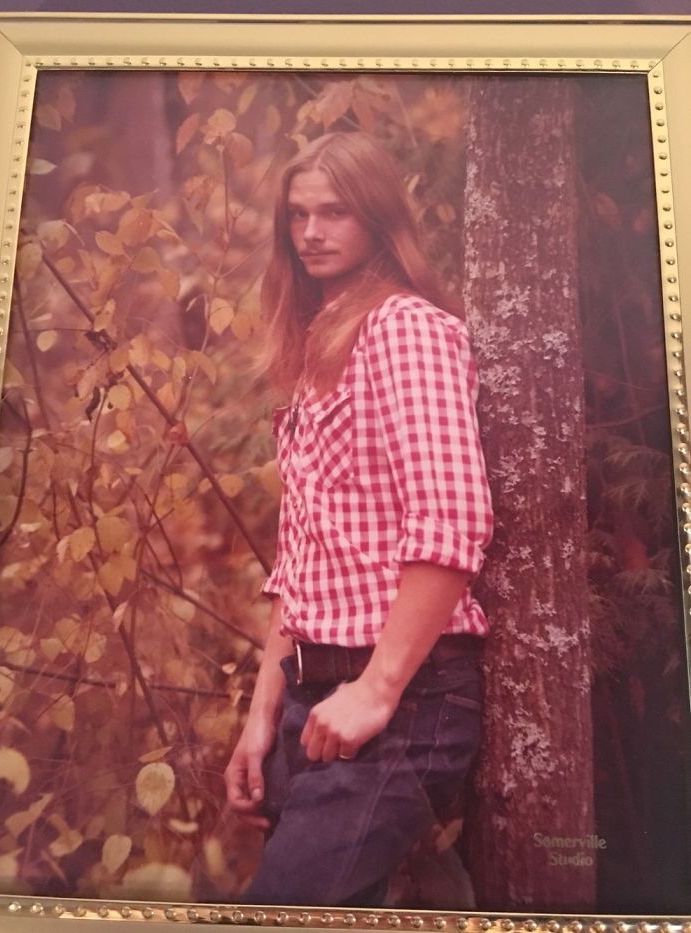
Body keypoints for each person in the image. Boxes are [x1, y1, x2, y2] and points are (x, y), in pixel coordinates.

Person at [224, 131, 493, 908]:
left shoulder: (402, 329)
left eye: (335, 212)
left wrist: (376, 691)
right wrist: (262, 715)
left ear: (378, 218)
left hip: (405, 699)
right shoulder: (321, 343)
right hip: (314, 688)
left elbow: (451, 518)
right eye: (298, 214)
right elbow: (303, 556)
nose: (310, 232)